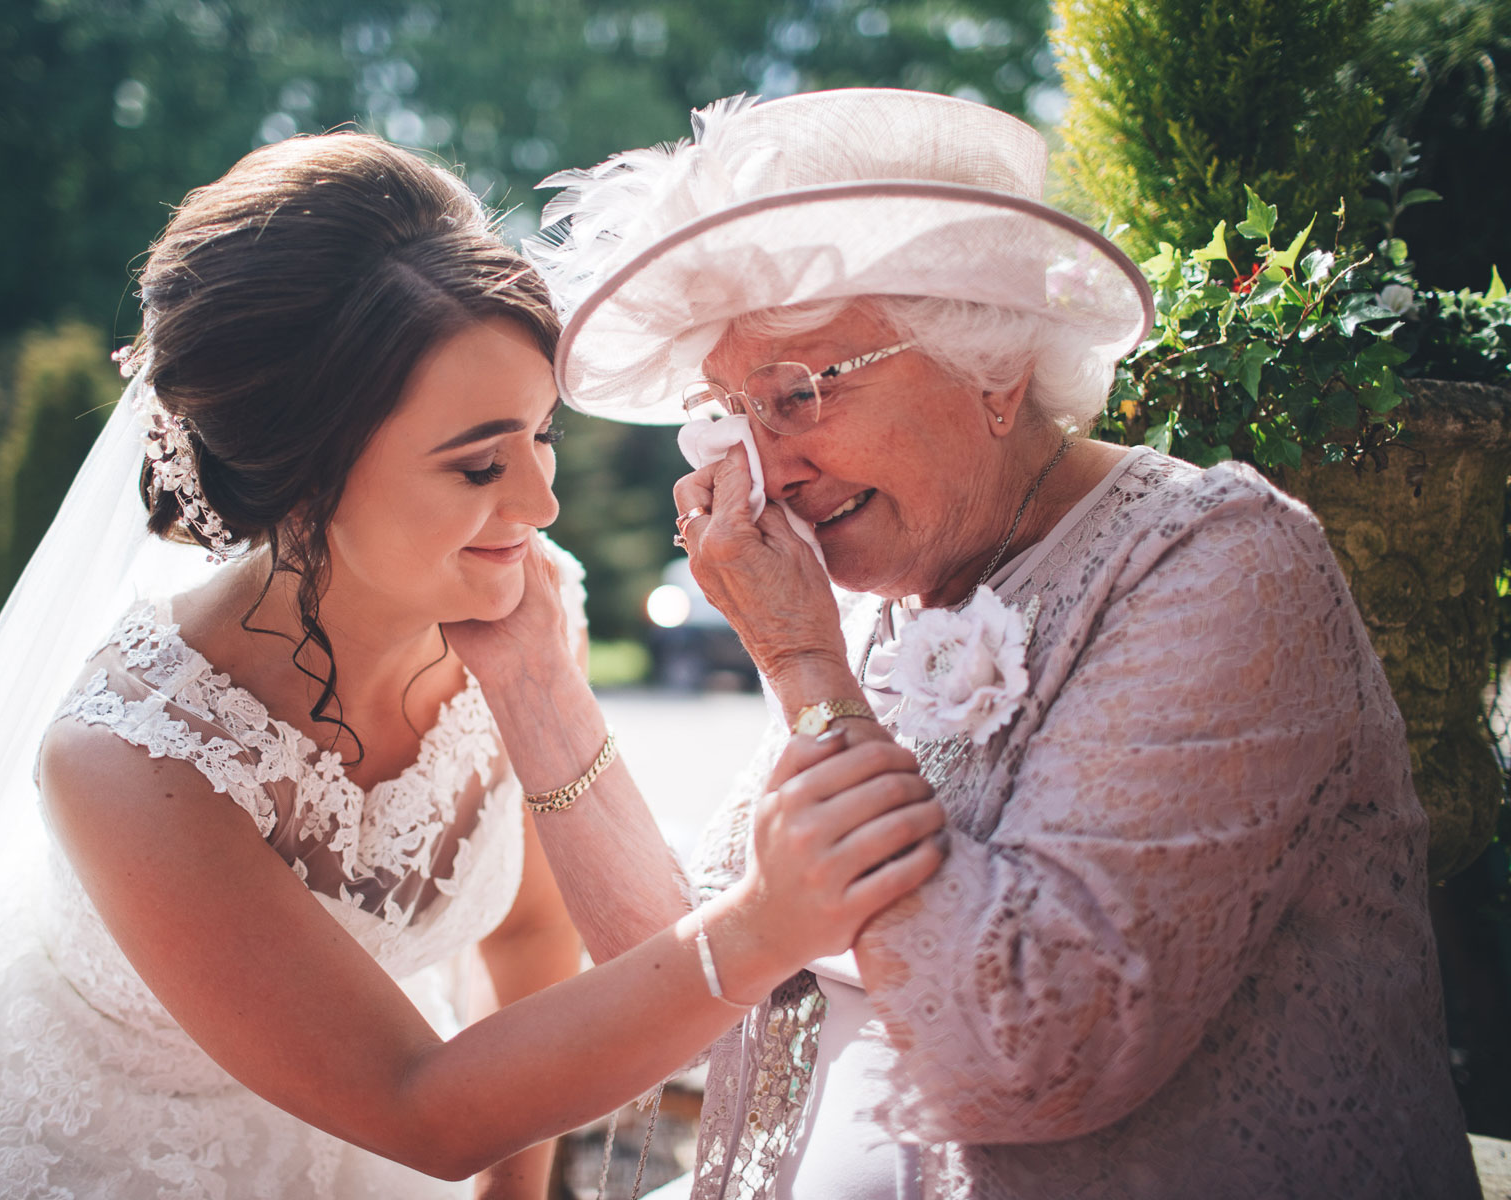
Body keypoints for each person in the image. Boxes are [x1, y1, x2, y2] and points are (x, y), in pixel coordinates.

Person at [0, 132, 945, 1200]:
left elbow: (524, 948)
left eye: (541, 435)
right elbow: (419, 1101)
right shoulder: (127, 759)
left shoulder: (509, 617)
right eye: (477, 465)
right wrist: (768, 920)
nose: (542, 498)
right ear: (302, 478)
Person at [497, 88, 1482, 1198]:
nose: (764, 468)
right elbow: (699, 968)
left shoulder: (1223, 566)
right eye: (732, 411)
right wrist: (530, 679)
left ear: (994, 365)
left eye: (797, 395)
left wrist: (803, 668)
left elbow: (1037, 1051)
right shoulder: (884, 607)